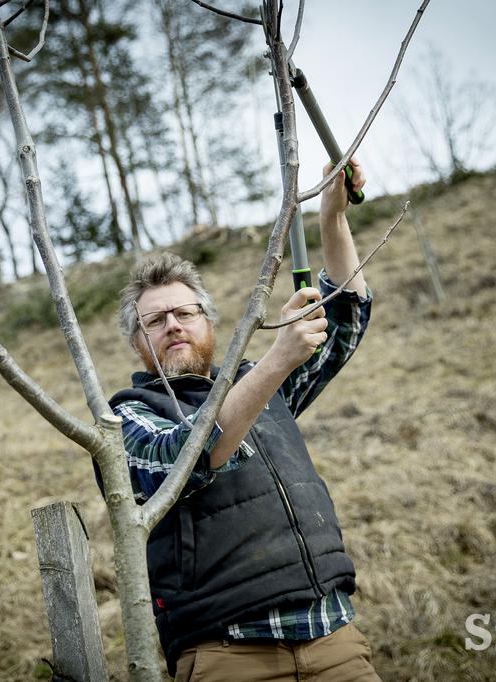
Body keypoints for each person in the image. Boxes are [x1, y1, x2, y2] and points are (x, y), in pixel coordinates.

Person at [110, 160, 380, 682]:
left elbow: (344, 318)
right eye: (155, 320)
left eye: (185, 313)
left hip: (334, 641)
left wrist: (332, 219)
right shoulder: (127, 417)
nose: (173, 326)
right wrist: (279, 359)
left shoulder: (258, 387)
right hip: (228, 656)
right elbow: (182, 458)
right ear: (137, 341)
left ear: (209, 323)